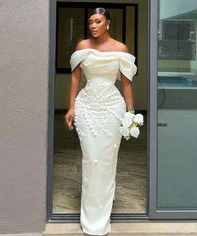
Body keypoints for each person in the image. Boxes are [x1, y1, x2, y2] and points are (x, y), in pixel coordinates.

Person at [65, 7, 137, 236]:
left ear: (108, 23)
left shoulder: (120, 49)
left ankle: (102, 214)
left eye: (97, 21)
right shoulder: (82, 47)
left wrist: (131, 113)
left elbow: (126, 83)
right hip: (86, 107)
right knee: (91, 158)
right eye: (90, 23)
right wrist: (72, 106)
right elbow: (75, 77)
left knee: (106, 160)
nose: (93, 26)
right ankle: (90, 217)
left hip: (111, 109)